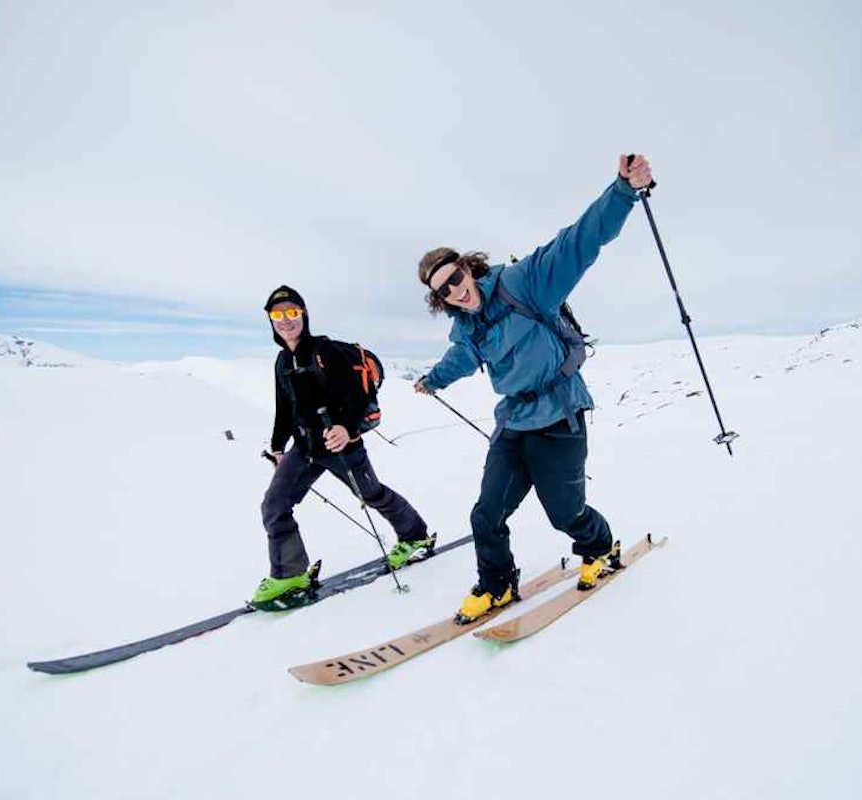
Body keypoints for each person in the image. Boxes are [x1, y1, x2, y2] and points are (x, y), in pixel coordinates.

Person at [414, 154, 655, 624]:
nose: (456, 291)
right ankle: (497, 584)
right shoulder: (467, 329)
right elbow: (460, 359)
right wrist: (433, 380)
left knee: (566, 514)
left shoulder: (523, 283)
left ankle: (600, 547)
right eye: (444, 290)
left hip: (560, 414)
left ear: (467, 268)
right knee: (486, 514)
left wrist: (624, 191)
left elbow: (578, 242)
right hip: (514, 422)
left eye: (456, 278)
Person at [252, 285, 433, 607]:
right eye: (277, 315)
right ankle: (290, 575)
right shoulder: (282, 360)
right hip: (304, 448)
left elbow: (356, 397)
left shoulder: (326, 351)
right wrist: (278, 446)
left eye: (292, 312)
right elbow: (284, 408)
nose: (285, 320)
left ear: (304, 315)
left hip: (341, 446)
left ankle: (415, 537)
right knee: (274, 505)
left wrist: (345, 429)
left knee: (372, 495)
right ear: (271, 320)